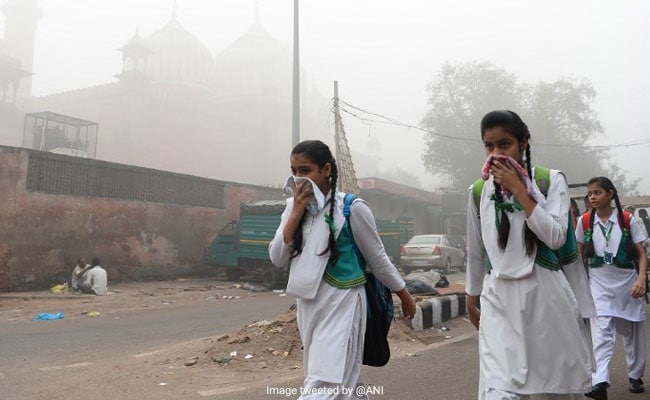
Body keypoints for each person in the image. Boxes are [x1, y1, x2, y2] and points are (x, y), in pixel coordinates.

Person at [269, 140, 416, 399]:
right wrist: (294, 214)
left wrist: (403, 293)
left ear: (326, 170)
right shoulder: (293, 209)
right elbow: (277, 258)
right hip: (309, 304)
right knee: (343, 378)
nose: (298, 178)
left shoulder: (353, 208)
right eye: (294, 171)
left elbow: (377, 258)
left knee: (325, 381)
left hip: (344, 302)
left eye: (305, 171)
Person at [466, 110, 594, 400]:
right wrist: (472, 296)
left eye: (505, 144)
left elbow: (557, 237)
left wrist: (521, 192)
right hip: (497, 299)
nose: (497, 154)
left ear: (524, 142)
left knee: (557, 388)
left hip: (545, 298)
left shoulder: (550, 181)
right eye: (489, 146)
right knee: (498, 389)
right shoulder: (477, 191)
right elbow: (476, 251)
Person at [575, 177, 647, 398]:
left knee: (632, 331)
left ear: (611, 194)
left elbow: (642, 254)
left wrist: (641, 279)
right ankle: (600, 381)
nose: (593, 197)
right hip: (599, 283)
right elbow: (578, 255)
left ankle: (635, 375)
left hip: (627, 282)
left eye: (597, 193)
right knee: (602, 330)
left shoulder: (627, 220)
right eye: (590, 194)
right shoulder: (584, 221)